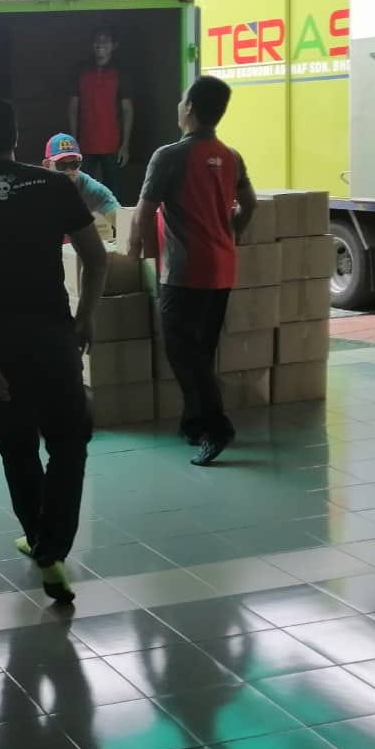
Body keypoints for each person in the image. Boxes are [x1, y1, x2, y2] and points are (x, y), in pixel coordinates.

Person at [0, 96, 108, 603]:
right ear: (15, 138)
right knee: (69, 443)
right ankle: (52, 543)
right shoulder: (55, 186)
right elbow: (96, 259)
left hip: (1, 347)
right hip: (55, 338)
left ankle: (42, 542)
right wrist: (84, 318)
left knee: (18, 451)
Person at [126, 76, 257, 466]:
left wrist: (132, 255)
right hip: (222, 269)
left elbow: (144, 213)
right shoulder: (232, 156)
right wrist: (231, 234)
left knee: (183, 354)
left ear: (190, 109)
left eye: (182, 100)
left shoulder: (169, 156)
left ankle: (217, 428)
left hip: (184, 272)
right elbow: (249, 204)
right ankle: (193, 424)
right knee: (202, 352)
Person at [69, 27, 133, 195]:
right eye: (97, 40)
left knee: (113, 193)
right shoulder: (81, 70)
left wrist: (125, 145)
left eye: (105, 41)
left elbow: (127, 110)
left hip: (112, 145)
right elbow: (73, 107)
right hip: (84, 144)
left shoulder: (121, 72)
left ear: (114, 45)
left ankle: (114, 216)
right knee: (82, 192)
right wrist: (73, 142)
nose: (100, 44)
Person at [43, 133, 120, 224]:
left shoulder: (92, 189)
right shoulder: (35, 187)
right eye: (61, 165)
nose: (69, 171)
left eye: (74, 164)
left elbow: (122, 223)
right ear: (47, 165)